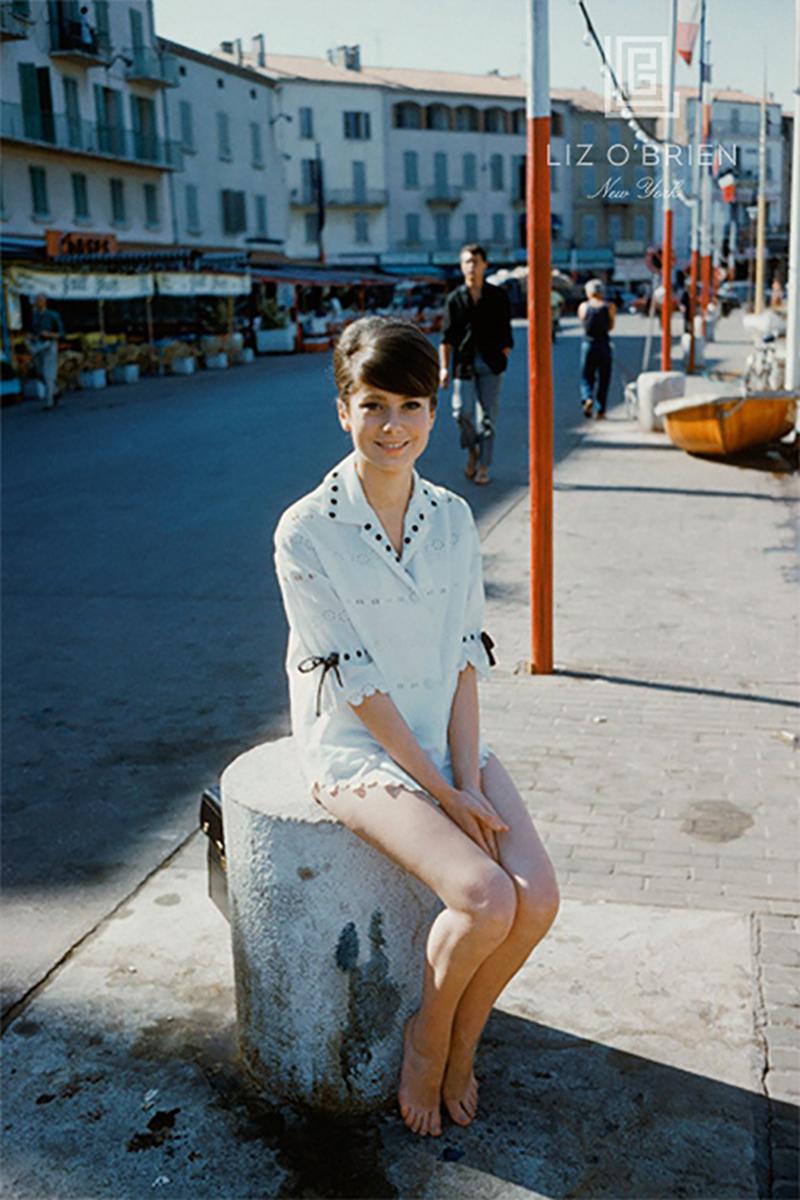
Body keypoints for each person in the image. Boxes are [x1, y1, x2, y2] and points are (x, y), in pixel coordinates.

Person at [273, 317, 559, 1138]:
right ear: (342, 411)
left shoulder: (454, 518)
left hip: (444, 733)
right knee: (482, 896)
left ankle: (467, 1038)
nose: (393, 425)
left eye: (411, 404)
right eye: (373, 406)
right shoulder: (305, 531)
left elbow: (467, 658)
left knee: (536, 899)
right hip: (359, 746)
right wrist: (440, 792)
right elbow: (356, 685)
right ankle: (426, 1041)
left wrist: (467, 780)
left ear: (437, 410)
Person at [439, 245, 513, 487]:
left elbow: (507, 333)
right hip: (464, 363)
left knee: (487, 419)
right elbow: (447, 337)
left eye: (475, 261)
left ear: (484, 265)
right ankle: (472, 450)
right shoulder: (454, 299)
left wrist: (503, 356)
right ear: (461, 267)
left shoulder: (498, 296)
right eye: (467, 262)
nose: (471, 266)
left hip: (491, 363)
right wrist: (444, 368)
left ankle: (483, 466)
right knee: (461, 412)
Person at [577, 278, 616, 419]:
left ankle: (587, 398)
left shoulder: (583, 307)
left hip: (588, 343)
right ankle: (601, 410)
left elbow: (583, 322)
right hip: (604, 344)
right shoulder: (609, 306)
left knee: (587, 376)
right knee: (604, 378)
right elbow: (611, 326)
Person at [28, 293, 64, 410]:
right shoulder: (34, 316)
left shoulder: (53, 315)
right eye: (36, 300)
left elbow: (62, 333)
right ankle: (55, 391)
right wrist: (30, 337)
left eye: (40, 300)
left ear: (45, 301)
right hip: (37, 346)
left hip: (49, 345)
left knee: (49, 373)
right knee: (39, 373)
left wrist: (50, 334)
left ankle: (49, 402)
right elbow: (31, 331)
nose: (38, 302)